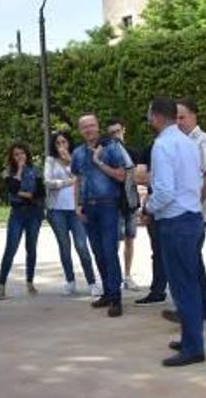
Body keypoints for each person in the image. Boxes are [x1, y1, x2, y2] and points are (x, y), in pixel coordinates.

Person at [144, 97, 205, 367]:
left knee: (182, 286)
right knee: (189, 283)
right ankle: (191, 338)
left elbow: (165, 192)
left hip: (175, 222)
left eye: (149, 114)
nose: (148, 119)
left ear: (157, 117)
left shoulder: (162, 145)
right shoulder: (188, 142)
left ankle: (193, 347)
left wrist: (148, 207)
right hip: (192, 217)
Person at [162, 98, 206, 323]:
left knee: (186, 263)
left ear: (194, 116)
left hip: (195, 214)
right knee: (193, 261)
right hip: (187, 212)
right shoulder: (182, 142)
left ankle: (192, 310)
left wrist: (195, 203)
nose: (178, 122)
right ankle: (201, 308)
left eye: (182, 117)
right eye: (175, 118)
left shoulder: (202, 142)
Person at [72, 114, 128, 317]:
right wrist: (77, 205)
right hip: (88, 207)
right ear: (80, 130)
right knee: (98, 252)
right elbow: (78, 180)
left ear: (97, 127)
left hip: (108, 206)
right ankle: (107, 292)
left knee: (109, 251)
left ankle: (116, 298)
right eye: (84, 127)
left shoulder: (111, 147)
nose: (89, 129)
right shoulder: (77, 153)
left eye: (92, 125)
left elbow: (122, 175)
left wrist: (99, 162)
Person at [44, 131, 100, 297]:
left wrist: (69, 161)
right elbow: (48, 182)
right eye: (58, 143)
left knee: (82, 246)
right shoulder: (50, 160)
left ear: (69, 143)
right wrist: (69, 181)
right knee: (64, 246)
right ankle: (70, 281)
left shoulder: (76, 158)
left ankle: (92, 282)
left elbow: (83, 178)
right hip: (57, 210)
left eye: (64, 142)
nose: (61, 146)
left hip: (76, 209)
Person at [0, 142, 43, 299]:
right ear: (12, 157)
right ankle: (1, 285)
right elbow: (12, 188)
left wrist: (21, 193)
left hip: (34, 213)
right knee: (10, 249)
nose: (20, 157)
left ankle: (30, 282)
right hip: (17, 214)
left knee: (31, 249)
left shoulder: (35, 171)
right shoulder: (7, 172)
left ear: (27, 154)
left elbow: (39, 193)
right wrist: (19, 172)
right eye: (16, 154)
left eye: (22, 153)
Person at [105, 118, 141, 292]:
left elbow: (138, 176)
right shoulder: (107, 154)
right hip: (114, 202)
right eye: (111, 133)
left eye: (117, 131)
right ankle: (114, 277)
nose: (115, 135)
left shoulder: (132, 152)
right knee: (114, 242)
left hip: (130, 200)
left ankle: (127, 276)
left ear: (123, 130)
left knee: (130, 239)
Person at [133, 143, 169, 307]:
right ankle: (158, 290)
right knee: (158, 251)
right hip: (155, 205)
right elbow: (139, 176)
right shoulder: (151, 148)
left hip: (172, 208)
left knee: (178, 254)